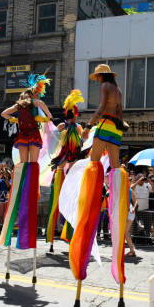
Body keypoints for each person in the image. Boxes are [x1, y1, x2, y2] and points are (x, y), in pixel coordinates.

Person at [70, 63, 130, 307]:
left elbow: (102, 107)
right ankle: (114, 195)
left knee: (94, 164)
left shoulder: (106, 87)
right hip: (117, 129)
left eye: (96, 78)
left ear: (101, 77)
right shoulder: (117, 88)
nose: (96, 82)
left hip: (105, 125)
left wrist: (88, 126)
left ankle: (94, 192)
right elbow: (120, 110)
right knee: (116, 169)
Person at [0, 78, 53, 251]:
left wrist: (14, 120)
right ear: (31, 96)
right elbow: (47, 110)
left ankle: (23, 189)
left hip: (23, 135)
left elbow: (3, 114)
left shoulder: (18, 106)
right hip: (31, 135)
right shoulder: (34, 102)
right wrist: (44, 113)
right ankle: (28, 189)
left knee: (24, 165)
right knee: (32, 165)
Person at [46, 90, 86, 250]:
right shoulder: (75, 128)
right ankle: (67, 237)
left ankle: (54, 239)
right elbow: (81, 144)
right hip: (68, 173)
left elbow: (55, 143)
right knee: (70, 205)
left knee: (59, 205)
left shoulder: (68, 127)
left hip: (64, 172)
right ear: (75, 115)